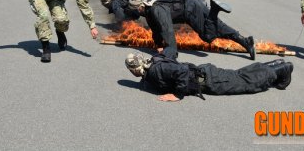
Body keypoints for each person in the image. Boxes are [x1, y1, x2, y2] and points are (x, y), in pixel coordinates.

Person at [125, 48, 293, 101]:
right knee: (241, 74)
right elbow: (170, 51)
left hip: (209, 80)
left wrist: (177, 95)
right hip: (205, 73)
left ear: (135, 69)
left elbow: (181, 71)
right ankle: (275, 65)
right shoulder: (155, 61)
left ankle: (281, 69)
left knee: (247, 82)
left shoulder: (155, 70)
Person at [128, 0, 256, 60]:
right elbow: (155, 28)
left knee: (208, 36)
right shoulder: (148, 6)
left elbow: (167, 29)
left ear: (139, 8)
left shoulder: (156, 11)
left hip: (191, 10)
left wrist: (170, 53)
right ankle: (246, 42)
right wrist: (159, 46)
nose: (136, 13)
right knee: (220, 28)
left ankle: (215, 9)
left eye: (135, 10)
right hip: (192, 5)